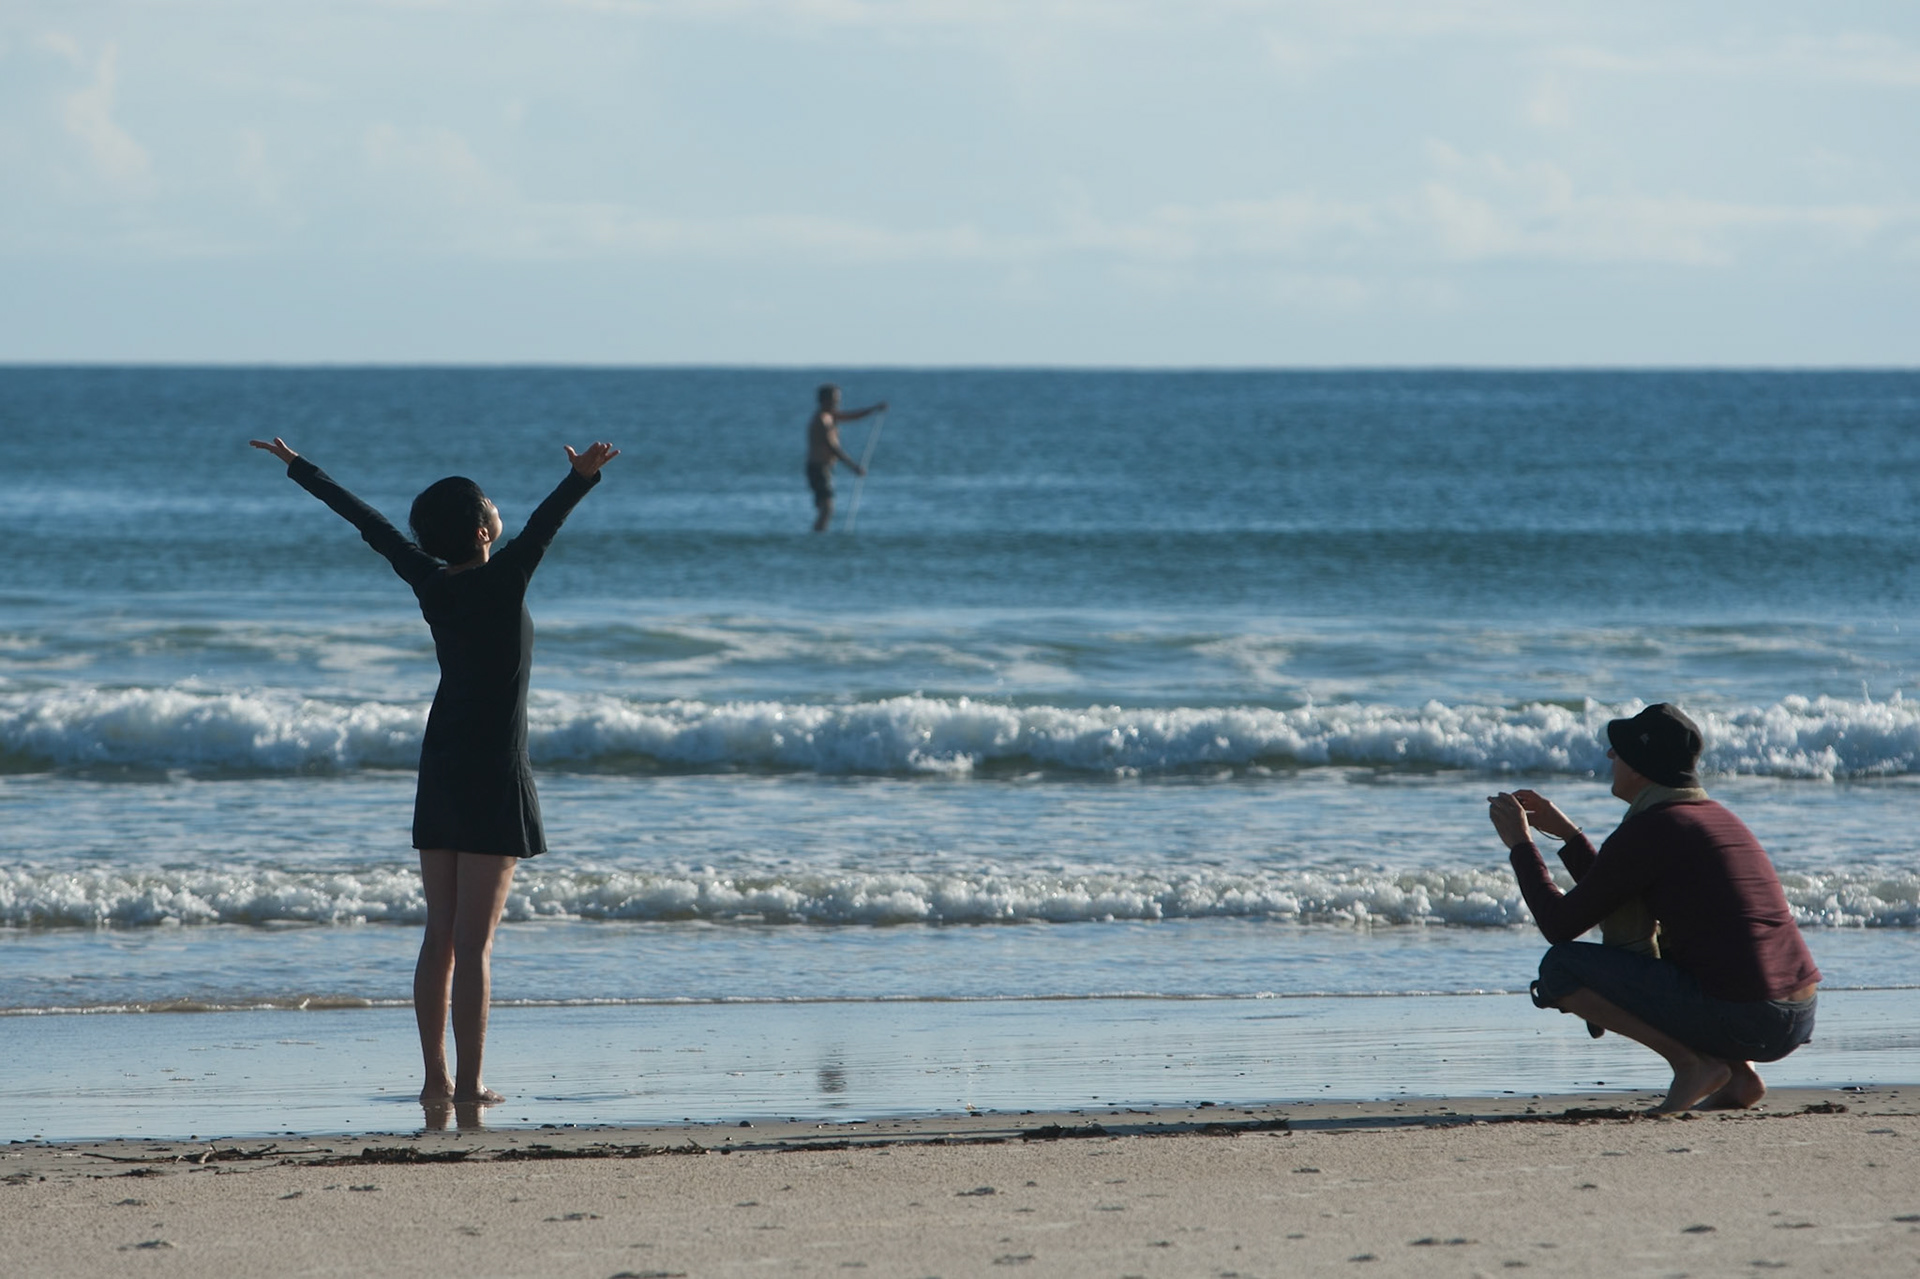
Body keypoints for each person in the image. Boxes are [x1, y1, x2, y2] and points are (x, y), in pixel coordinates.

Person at [250, 434, 619, 1110]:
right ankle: (470, 1086)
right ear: (482, 531)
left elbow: (370, 524)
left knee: (440, 933)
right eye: (490, 506)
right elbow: (545, 523)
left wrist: (301, 468)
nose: (499, 511)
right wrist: (580, 478)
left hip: (442, 761)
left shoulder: (428, 582)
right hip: (495, 768)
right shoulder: (507, 577)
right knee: (474, 944)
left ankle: (434, 1081)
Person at [1487, 703, 1820, 1113]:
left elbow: (1559, 925)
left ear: (1641, 766)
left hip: (1751, 1017)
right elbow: (1615, 890)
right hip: (1797, 1012)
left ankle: (1692, 1064)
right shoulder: (1711, 816)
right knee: (1689, 952)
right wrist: (1567, 834)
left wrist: (1520, 845)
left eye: (1621, 750)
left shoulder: (1652, 827)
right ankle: (1739, 1076)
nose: (1610, 755)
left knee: (1560, 968)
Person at [806, 384, 886, 532]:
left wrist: (873, 410)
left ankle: (819, 535)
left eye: (838, 400)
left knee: (825, 508)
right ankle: (818, 537)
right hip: (818, 468)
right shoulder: (822, 420)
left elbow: (851, 416)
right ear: (824, 400)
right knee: (827, 508)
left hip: (825, 467)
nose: (837, 403)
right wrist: (853, 467)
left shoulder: (830, 416)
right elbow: (833, 447)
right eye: (834, 400)